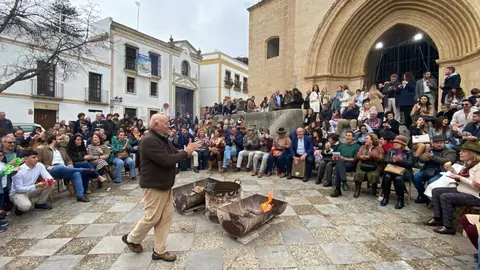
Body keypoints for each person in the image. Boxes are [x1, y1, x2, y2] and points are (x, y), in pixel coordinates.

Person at [122, 114, 201, 261]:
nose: (169, 125)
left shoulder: (162, 138)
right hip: (154, 185)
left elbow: (171, 154)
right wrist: (185, 153)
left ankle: (159, 251)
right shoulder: (149, 140)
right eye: (166, 123)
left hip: (164, 184)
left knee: (165, 217)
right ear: (156, 124)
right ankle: (132, 239)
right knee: (152, 217)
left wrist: (185, 151)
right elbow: (165, 160)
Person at [424, 141, 480, 235]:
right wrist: (453, 171)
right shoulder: (468, 164)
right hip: (464, 190)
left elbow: (478, 185)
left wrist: (460, 178)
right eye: (460, 151)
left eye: (464, 151)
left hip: (475, 196)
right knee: (436, 191)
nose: (460, 153)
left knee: (446, 197)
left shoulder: (479, 166)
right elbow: (463, 179)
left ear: (472, 154)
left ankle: (448, 227)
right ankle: (438, 218)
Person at [37, 135, 93, 202]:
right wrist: (47, 166)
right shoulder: (43, 150)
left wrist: (70, 164)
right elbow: (38, 163)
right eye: (58, 140)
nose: (60, 141)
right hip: (52, 170)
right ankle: (83, 169)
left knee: (76, 173)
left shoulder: (62, 150)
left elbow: (69, 160)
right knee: (60, 167)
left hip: (65, 169)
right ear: (53, 141)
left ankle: (80, 195)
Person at [413, 135, 456, 204]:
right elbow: (421, 159)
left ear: (444, 143)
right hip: (427, 170)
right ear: (433, 143)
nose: (439, 144)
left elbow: (447, 160)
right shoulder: (429, 150)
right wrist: (426, 158)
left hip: (441, 172)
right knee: (415, 178)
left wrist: (433, 157)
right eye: (437, 143)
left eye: (441, 142)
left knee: (431, 182)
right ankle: (424, 197)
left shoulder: (450, 151)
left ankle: (433, 200)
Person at [10, 150, 54, 215]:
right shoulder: (19, 171)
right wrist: (36, 186)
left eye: (37, 157)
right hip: (18, 193)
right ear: (25, 159)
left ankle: (40, 203)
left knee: (50, 184)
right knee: (26, 206)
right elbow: (18, 189)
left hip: (31, 189)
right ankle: (19, 207)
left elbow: (48, 176)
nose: (37, 159)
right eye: (33, 157)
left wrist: (50, 180)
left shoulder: (39, 165)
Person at [380, 135, 414, 209]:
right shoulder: (391, 150)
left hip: (404, 171)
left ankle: (400, 200)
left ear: (403, 145)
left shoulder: (409, 152)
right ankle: (385, 197)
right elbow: (385, 160)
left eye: (397, 143)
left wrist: (401, 161)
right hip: (392, 170)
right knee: (387, 176)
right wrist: (394, 160)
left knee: (398, 178)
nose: (394, 144)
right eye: (394, 142)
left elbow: (410, 164)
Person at [330, 131, 360, 197]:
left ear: (353, 138)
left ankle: (338, 189)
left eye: (349, 136)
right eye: (346, 135)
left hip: (350, 164)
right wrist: (334, 157)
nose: (347, 137)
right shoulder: (341, 145)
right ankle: (344, 183)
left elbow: (354, 160)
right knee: (339, 165)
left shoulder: (357, 146)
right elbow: (337, 154)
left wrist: (344, 159)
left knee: (339, 165)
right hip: (341, 163)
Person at [354, 134, 384, 198]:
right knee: (358, 173)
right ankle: (357, 190)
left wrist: (372, 155)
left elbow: (381, 158)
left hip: (374, 166)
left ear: (372, 140)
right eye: (365, 138)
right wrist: (368, 157)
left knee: (374, 175)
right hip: (362, 165)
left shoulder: (379, 148)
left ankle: (374, 190)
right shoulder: (362, 147)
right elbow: (358, 155)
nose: (365, 140)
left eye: (367, 138)